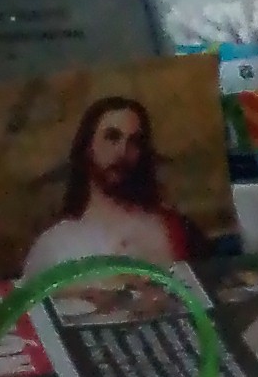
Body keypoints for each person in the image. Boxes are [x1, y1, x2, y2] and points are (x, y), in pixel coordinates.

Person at [16, 94, 205, 305]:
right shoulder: (55, 244)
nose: (122, 151)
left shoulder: (174, 228)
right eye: (112, 137)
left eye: (134, 141)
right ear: (87, 147)